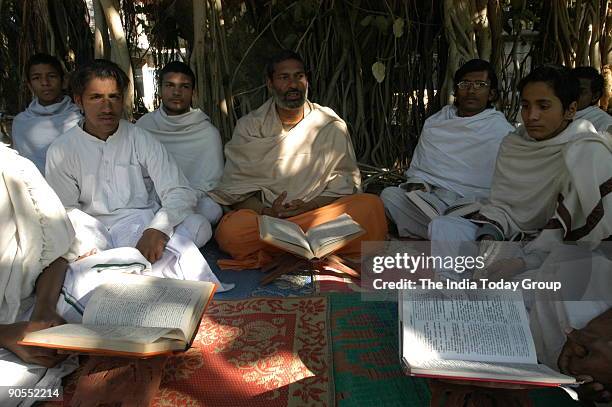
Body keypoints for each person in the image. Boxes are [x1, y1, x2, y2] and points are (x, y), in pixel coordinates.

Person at [45, 59, 223, 286]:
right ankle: (136, 269)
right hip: (92, 230)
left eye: (114, 97)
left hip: (139, 224)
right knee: (63, 244)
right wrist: (88, 243)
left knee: (200, 225)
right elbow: (65, 210)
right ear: (79, 100)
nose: (107, 107)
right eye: (96, 97)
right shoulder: (62, 149)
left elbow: (178, 190)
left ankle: (123, 269)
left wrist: (157, 229)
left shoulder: (140, 138)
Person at [208, 50, 387, 269]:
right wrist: (268, 212)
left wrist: (310, 206)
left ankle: (285, 249)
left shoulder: (329, 125)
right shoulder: (250, 127)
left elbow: (345, 184)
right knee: (231, 232)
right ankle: (312, 247)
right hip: (269, 220)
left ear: (307, 81)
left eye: (298, 76)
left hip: (318, 215)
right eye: (284, 78)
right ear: (270, 84)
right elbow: (236, 191)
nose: (293, 84)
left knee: (371, 208)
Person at [380, 59, 514, 238]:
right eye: (465, 83)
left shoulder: (502, 131)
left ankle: (440, 231)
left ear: (491, 94)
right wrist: (419, 187)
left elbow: (504, 187)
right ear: (456, 91)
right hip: (431, 200)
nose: (471, 90)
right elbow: (419, 171)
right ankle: (445, 234)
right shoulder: (436, 122)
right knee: (389, 195)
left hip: (473, 204)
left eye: (480, 84)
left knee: (474, 219)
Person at [136, 61, 223, 225]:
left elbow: (211, 184)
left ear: (193, 92)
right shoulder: (143, 126)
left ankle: (166, 229)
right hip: (152, 199)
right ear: (160, 89)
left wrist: (181, 199)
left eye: (184, 87)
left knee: (212, 209)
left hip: (193, 200)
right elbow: (136, 176)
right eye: (170, 85)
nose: (176, 92)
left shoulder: (207, 132)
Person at [11, 53, 81, 174]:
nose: (45, 83)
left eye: (52, 76)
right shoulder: (20, 123)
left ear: (64, 81)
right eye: (36, 78)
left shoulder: (81, 118)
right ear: (30, 86)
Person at [572, 66, 612, 133]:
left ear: (595, 96)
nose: (573, 94)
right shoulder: (558, 113)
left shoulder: (605, 123)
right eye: (571, 89)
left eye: (580, 91)